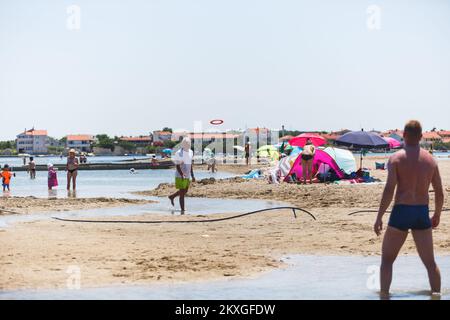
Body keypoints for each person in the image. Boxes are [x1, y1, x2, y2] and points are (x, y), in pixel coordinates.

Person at [374, 120, 444, 297]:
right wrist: (436, 214)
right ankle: (436, 295)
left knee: (387, 260)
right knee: (430, 263)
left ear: (404, 135)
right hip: (421, 212)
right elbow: (439, 192)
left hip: (401, 212)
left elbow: (389, 189)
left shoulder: (396, 158)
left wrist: (379, 216)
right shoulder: (431, 160)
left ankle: (384, 295)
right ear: (421, 137)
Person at [168, 137, 195, 213]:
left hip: (187, 175)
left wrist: (192, 175)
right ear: (183, 145)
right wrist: (182, 174)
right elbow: (177, 165)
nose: (187, 146)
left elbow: (190, 164)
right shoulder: (179, 153)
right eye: (185, 145)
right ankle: (182, 210)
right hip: (180, 175)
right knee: (182, 193)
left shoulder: (191, 152)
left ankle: (172, 196)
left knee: (185, 191)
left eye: (188, 144)